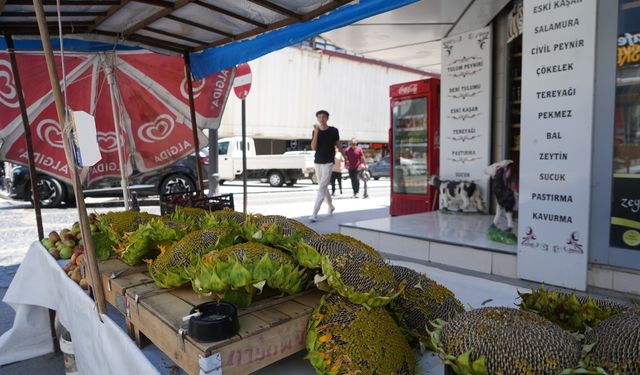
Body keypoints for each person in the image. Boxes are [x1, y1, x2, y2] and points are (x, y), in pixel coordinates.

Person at [309, 110, 342, 222]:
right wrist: (316, 132)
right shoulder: (315, 131)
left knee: (322, 188)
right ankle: (331, 206)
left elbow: (338, 144)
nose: (321, 118)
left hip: (328, 162)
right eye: (319, 117)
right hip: (317, 161)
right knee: (323, 187)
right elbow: (313, 147)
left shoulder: (333, 130)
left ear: (327, 118)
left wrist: (345, 157)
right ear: (317, 119)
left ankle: (314, 213)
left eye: (324, 117)